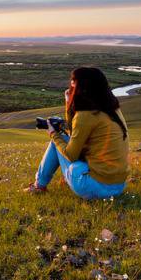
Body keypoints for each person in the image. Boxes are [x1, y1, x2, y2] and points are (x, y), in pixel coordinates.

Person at [26, 67, 129, 199]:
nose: (71, 87)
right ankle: (41, 185)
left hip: (96, 187)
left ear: (82, 87)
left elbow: (71, 155)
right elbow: (76, 134)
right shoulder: (112, 109)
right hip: (118, 186)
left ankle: (39, 186)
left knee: (57, 143)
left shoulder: (85, 115)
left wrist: (52, 133)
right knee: (63, 141)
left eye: (73, 83)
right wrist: (69, 105)